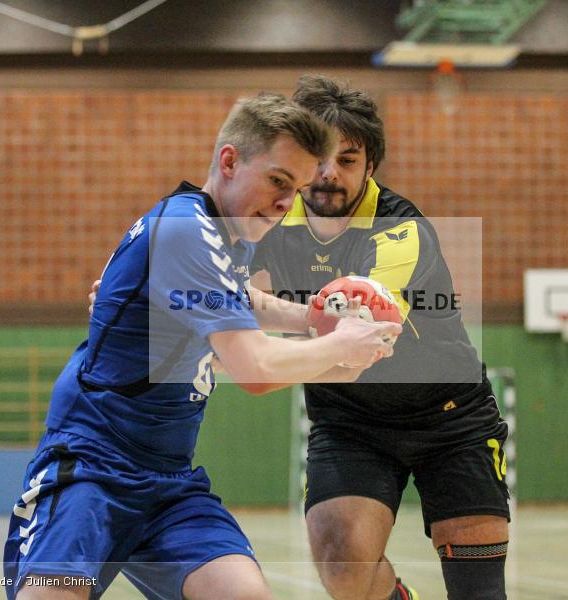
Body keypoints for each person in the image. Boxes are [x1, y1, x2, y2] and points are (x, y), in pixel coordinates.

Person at [89, 77, 511, 600]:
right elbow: (217, 279)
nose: (329, 174)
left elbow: (359, 340)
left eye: (348, 160)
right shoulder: (271, 214)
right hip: (349, 421)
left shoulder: (400, 231)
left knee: (478, 591)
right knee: (343, 569)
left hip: (448, 417)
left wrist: (230, 351)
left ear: (370, 167)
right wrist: (147, 294)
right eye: (321, 161)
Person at [4, 92, 401, 600]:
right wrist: (340, 343)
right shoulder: (187, 230)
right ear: (229, 161)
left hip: (168, 481)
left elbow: (242, 297)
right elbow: (255, 368)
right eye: (278, 181)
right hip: (93, 466)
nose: (287, 204)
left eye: (297, 190)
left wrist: (316, 323)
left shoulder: (231, 231)